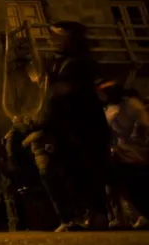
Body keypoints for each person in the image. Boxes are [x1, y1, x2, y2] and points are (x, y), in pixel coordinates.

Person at [34, 21, 112, 231]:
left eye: (58, 36)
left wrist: (53, 86)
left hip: (84, 125)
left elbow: (76, 89)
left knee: (87, 170)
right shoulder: (56, 62)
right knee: (64, 171)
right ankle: (77, 216)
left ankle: (96, 214)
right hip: (64, 127)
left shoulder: (83, 61)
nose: (53, 40)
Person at [101, 82, 149, 228]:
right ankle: (124, 217)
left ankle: (139, 215)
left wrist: (134, 140)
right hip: (118, 151)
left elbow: (142, 127)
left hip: (133, 152)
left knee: (132, 184)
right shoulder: (110, 108)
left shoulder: (131, 105)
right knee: (114, 185)